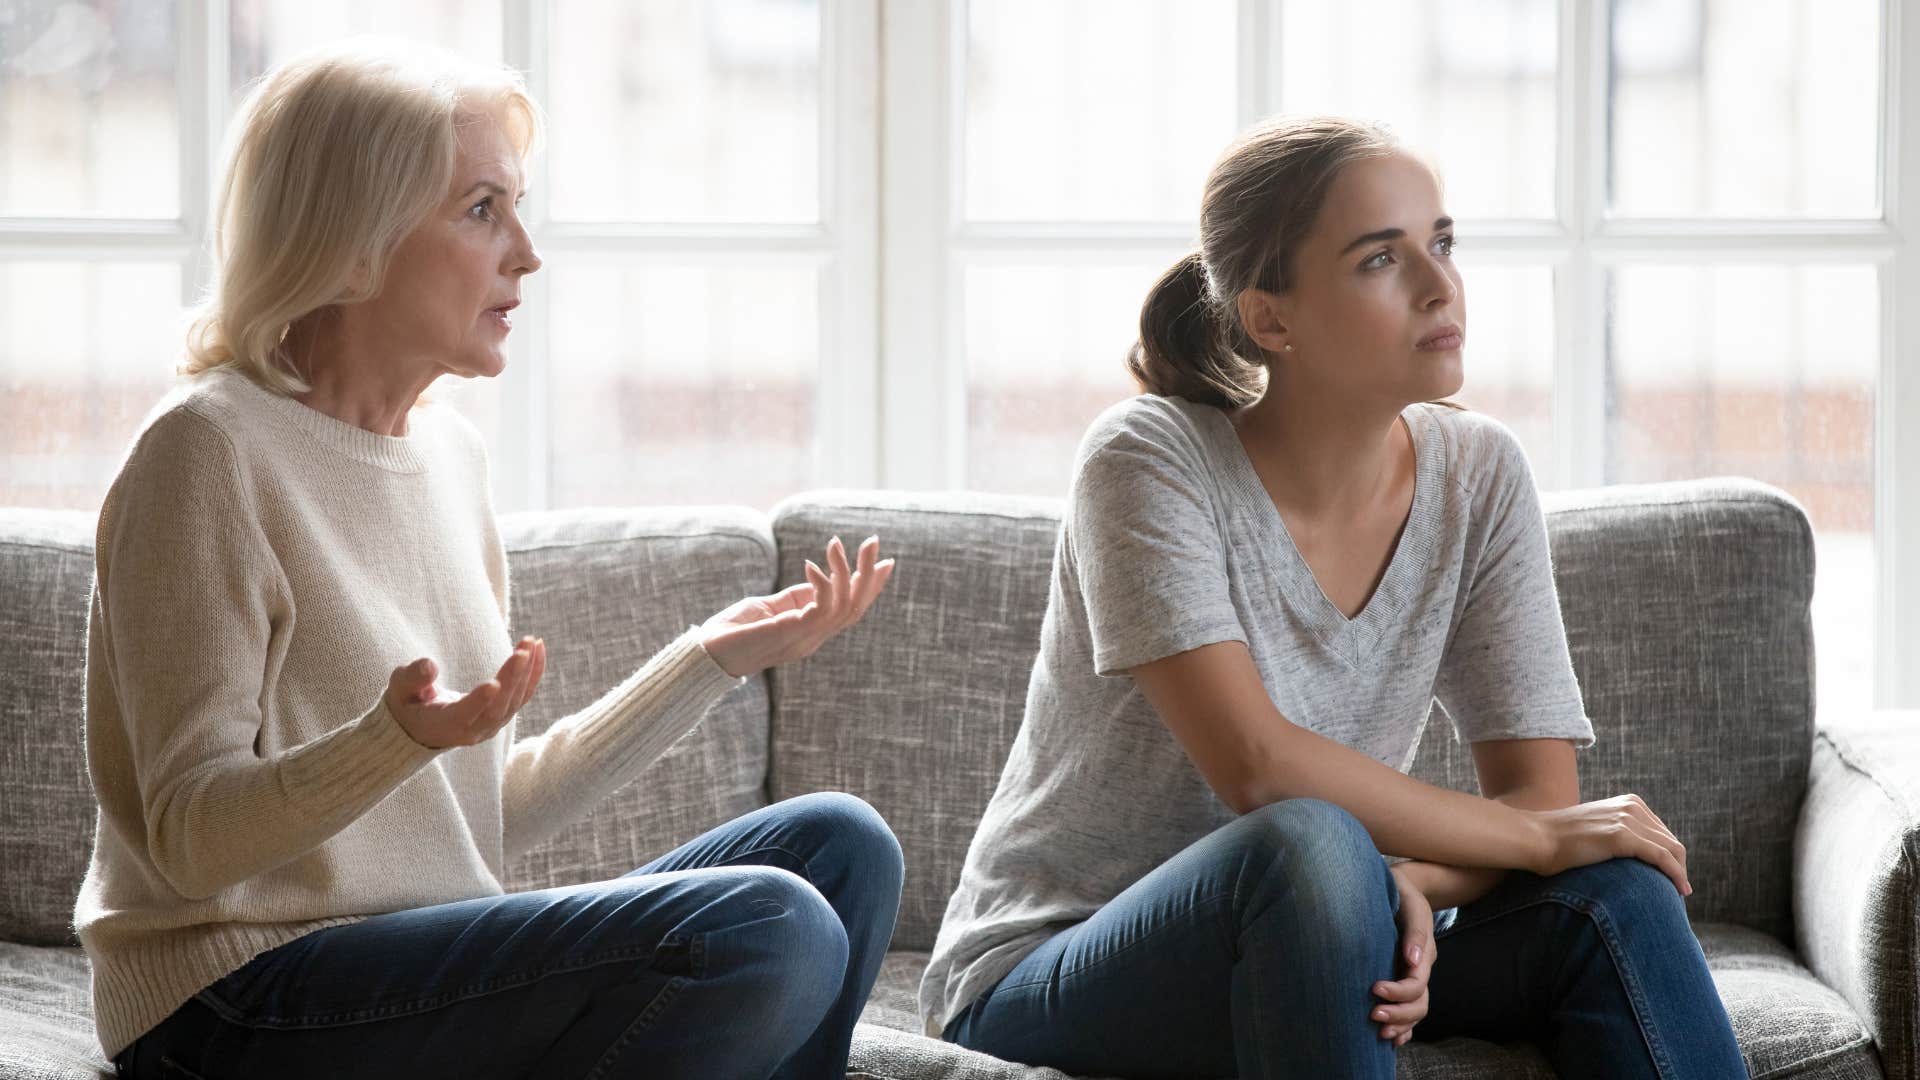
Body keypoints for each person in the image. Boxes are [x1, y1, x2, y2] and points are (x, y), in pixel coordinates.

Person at [74, 39, 901, 1079]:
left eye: (518, 206)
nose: (525, 252)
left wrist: (708, 661)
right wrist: (387, 740)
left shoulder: (449, 456)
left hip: (404, 968)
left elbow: (475, 810)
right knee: (763, 924)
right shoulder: (206, 452)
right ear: (353, 238)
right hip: (234, 1000)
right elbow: (192, 842)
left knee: (840, 849)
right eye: (482, 210)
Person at [920, 115, 1748, 1079]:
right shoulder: (1148, 460)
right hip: (1055, 969)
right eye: (1378, 260)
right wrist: (1519, 839)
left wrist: (1419, 882)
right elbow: (1259, 767)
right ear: (1271, 317)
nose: (1441, 287)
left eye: (1440, 243)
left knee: (1615, 889)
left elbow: (1541, 799)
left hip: (1334, 919)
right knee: (1311, 845)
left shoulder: (1477, 475)